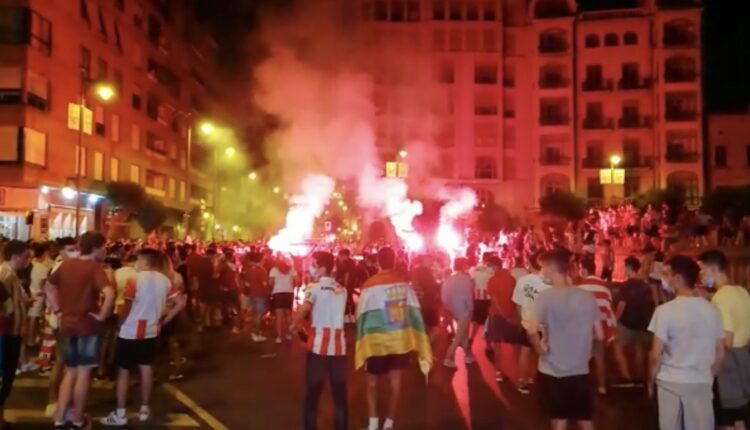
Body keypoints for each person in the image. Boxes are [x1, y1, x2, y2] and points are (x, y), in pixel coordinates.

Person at [100, 248, 186, 426]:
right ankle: (145, 409)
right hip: (151, 330)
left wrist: (120, 323)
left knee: (123, 371)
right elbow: (180, 303)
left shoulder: (134, 280)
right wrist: (164, 320)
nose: (136, 264)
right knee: (146, 369)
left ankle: (120, 413)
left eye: (138, 260)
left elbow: (127, 306)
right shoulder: (165, 281)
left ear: (144, 261)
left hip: (129, 330)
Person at [356, 247, 432, 430]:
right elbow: (415, 312)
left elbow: (361, 314)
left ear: (378, 261)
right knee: (395, 383)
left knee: (372, 383)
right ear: (395, 261)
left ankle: (373, 423)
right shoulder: (404, 285)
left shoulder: (369, 285)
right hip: (399, 341)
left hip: (376, 342)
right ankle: (389, 423)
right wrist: (417, 337)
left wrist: (361, 338)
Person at [527, 249, 603, 430]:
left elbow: (531, 329)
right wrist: (587, 353)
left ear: (551, 268)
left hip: (552, 368)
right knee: (584, 417)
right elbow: (600, 335)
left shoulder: (544, 297)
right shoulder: (587, 296)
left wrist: (540, 351)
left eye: (543, 268)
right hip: (580, 368)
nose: (542, 272)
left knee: (559, 418)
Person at [46, 232, 115, 430]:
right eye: (103, 247)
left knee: (70, 372)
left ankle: (60, 418)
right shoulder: (95, 268)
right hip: (88, 325)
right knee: (84, 373)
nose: (105, 250)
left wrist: (58, 311)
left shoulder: (66, 265)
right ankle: (77, 420)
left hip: (66, 324)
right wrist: (102, 315)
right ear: (96, 248)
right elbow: (109, 293)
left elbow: (49, 287)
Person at [648, 255, 725, 430]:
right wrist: (708, 375)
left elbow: (655, 354)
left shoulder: (664, 311)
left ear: (677, 278)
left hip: (669, 382)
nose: (664, 279)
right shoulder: (711, 310)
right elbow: (720, 352)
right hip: (700, 382)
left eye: (667, 274)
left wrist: (650, 380)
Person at [289, 251, 347, 430]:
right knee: (339, 397)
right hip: (339, 348)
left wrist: (293, 325)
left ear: (322, 268)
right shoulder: (342, 290)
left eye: (314, 264)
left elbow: (305, 308)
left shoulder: (313, 288)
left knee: (313, 395)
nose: (312, 268)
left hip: (318, 348)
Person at [698, 250, 750, 430]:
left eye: (703, 270)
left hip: (728, 364)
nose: (701, 275)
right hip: (744, 357)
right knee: (739, 415)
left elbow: (726, 341)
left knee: (726, 419)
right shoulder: (742, 292)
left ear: (713, 269)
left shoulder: (721, 298)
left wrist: (712, 370)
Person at [0, 240, 30, 429]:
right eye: (26, 257)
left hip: (11, 331)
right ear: (15, 256)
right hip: (5, 332)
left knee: (7, 376)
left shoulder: (12, 275)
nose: (28, 261)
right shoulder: (5, 274)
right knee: (4, 376)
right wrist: (12, 310)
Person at [576, 257, 615, 395]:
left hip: (583, 328)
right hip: (600, 328)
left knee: (582, 359)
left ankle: (582, 387)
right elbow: (609, 309)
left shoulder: (580, 288)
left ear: (584, 270)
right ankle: (602, 387)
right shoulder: (605, 288)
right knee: (600, 358)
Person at [612, 256, 653, 385]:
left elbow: (622, 305)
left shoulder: (625, 286)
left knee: (618, 347)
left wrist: (615, 320)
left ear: (629, 268)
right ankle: (639, 377)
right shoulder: (645, 286)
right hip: (642, 323)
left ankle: (626, 376)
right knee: (639, 348)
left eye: (625, 267)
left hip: (626, 323)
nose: (624, 270)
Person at [511, 252, 549, 394]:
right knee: (542, 353)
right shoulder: (549, 281)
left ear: (530, 264)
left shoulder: (523, 281)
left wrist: (520, 319)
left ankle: (522, 381)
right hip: (544, 325)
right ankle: (537, 379)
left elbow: (518, 304)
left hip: (527, 322)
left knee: (525, 352)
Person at [485, 256, 523, 383]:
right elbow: (515, 298)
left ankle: (499, 372)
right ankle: (520, 373)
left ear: (496, 266)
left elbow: (494, 301)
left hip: (497, 315)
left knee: (497, 344)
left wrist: (504, 315)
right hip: (511, 314)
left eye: (489, 265)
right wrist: (515, 315)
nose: (488, 268)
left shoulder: (492, 280)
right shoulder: (511, 279)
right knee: (515, 344)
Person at [441, 257, 475, 368]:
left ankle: (468, 355)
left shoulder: (448, 279)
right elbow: (468, 296)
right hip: (465, 310)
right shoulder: (466, 279)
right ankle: (448, 358)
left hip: (454, 310)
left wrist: (449, 308)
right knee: (459, 336)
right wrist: (471, 309)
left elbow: (444, 297)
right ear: (463, 265)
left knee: (464, 334)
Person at [241, 252, 269, 342]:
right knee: (258, 315)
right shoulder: (261, 270)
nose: (264, 261)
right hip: (260, 295)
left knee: (254, 314)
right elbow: (265, 284)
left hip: (251, 294)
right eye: (263, 259)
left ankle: (255, 332)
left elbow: (246, 283)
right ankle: (256, 334)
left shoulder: (249, 269)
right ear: (260, 260)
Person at [269, 257, 298, 343]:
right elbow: (297, 280)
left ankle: (279, 337)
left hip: (278, 293)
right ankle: (288, 334)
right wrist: (292, 287)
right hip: (289, 293)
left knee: (279, 316)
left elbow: (271, 282)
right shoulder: (291, 269)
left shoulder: (274, 270)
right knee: (288, 315)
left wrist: (273, 288)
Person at [468, 253, 494, 346]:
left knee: (477, 321)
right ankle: (488, 345)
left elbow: (471, 283)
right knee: (488, 321)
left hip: (477, 298)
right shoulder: (491, 270)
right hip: (488, 298)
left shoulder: (473, 269)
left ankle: (471, 338)